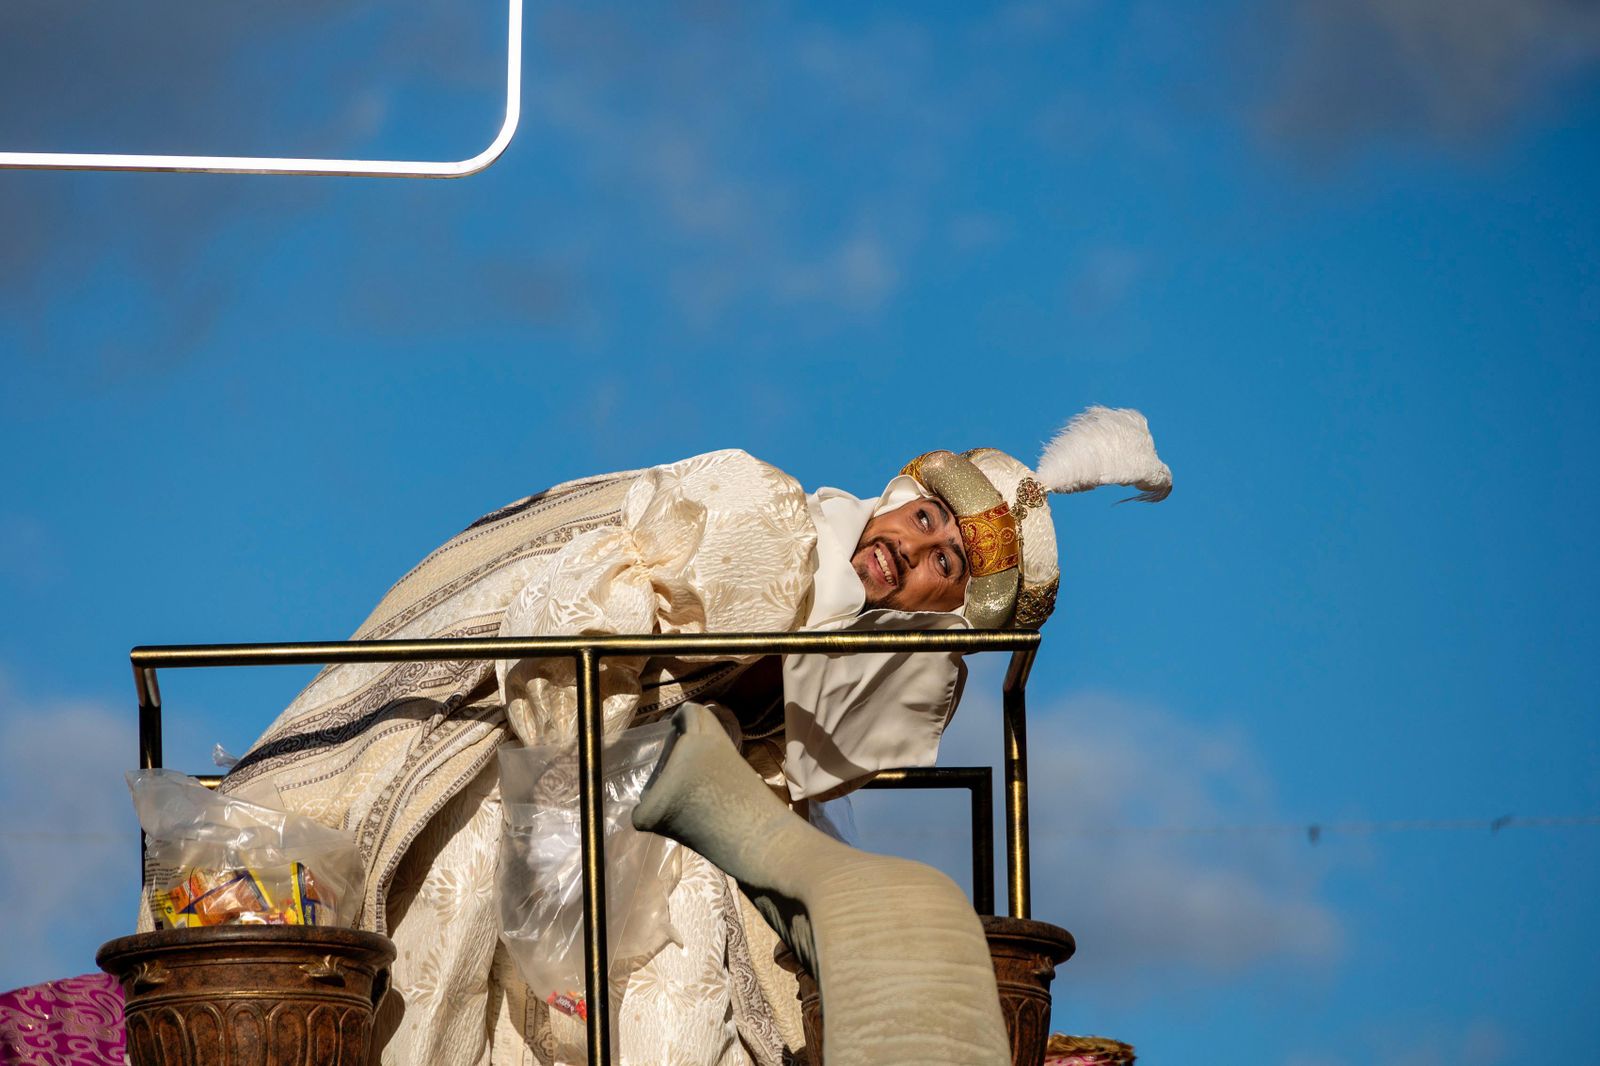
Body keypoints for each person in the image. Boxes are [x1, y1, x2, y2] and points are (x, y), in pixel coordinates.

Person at [212, 407, 1171, 1066]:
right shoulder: (759, 519)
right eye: (924, 518)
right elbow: (570, 624)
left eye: (945, 565)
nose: (912, 552)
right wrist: (567, 830)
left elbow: (761, 775)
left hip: (644, 815)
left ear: (947, 608)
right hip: (516, 758)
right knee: (458, 974)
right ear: (898, 494)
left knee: (698, 970)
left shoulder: (849, 646)